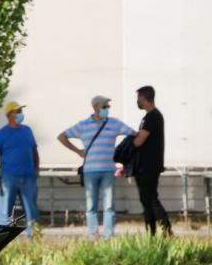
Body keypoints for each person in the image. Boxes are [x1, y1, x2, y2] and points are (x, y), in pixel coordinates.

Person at [58, 95, 135, 238]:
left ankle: (109, 236)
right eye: (104, 106)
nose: (107, 109)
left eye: (108, 107)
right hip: (90, 171)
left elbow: (134, 134)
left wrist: (124, 153)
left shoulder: (115, 123)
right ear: (95, 107)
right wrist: (77, 151)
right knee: (91, 206)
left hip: (108, 170)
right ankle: (93, 235)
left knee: (109, 206)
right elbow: (62, 136)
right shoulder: (83, 125)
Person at [0, 101, 39, 236]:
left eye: (21, 111)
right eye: (17, 111)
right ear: (10, 115)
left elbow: (34, 150)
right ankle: (2, 237)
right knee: (6, 209)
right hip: (8, 177)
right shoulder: (0, 134)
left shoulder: (27, 130)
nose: (20, 114)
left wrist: (37, 167)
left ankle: (34, 235)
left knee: (31, 208)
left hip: (28, 176)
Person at [132, 85, 172, 236]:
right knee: (147, 201)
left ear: (144, 98)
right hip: (147, 166)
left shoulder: (152, 116)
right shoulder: (150, 116)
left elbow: (138, 142)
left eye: (138, 98)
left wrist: (131, 140)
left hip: (148, 166)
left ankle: (165, 229)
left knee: (151, 199)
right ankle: (151, 233)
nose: (137, 101)